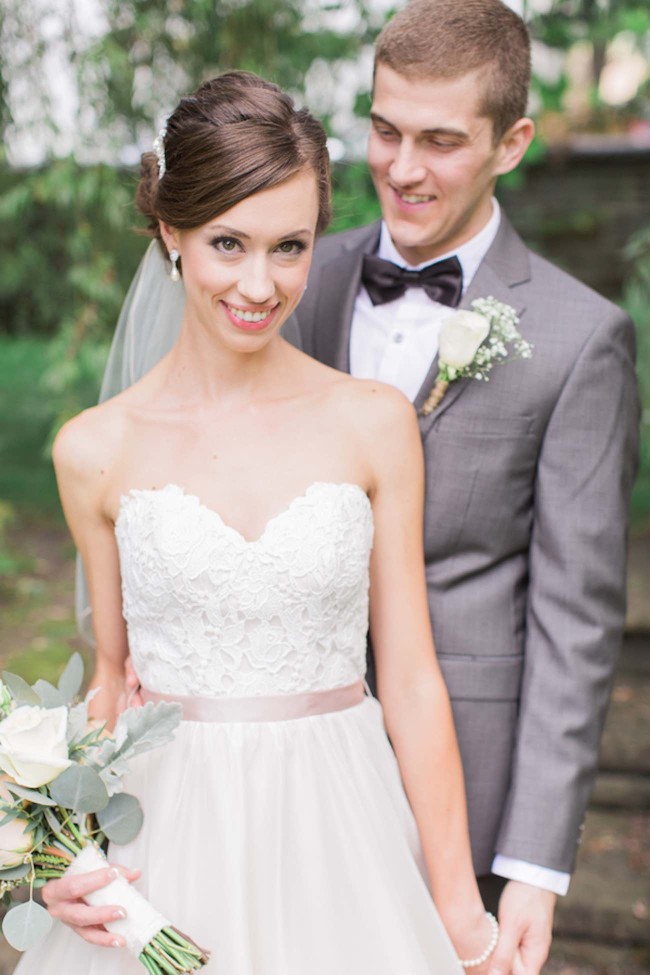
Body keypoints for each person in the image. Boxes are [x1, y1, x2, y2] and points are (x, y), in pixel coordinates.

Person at [83, 3, 641, 974]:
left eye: (439, 141)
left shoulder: (575, 335)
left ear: (510, 144)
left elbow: (574, 619)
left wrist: (529, 869)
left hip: (447, 774)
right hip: (201, 798)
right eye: (385, 132)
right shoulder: (292, 266)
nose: (403, 168)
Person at [16, 72, 499, 975]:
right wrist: (53, 855)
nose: (258, 282)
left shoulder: (373, 422)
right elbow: (111, 682)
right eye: (227, 242)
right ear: (170, 231)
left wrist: (460, 909)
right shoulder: (93, 450)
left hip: (340, 833)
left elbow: (412, 677)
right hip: (168, 841)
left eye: (289, 246)